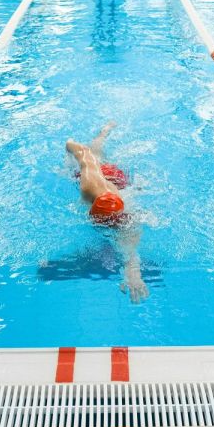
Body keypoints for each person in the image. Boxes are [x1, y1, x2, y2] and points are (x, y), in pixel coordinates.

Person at [65, 122, 148, 303]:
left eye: (113, 222)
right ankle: (104, 131)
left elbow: (131, 251)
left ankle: (105, 132)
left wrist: (133, 275)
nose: (112, 225)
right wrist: (69, 145)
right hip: (102, 174)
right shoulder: (89, 184)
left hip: (117, 179)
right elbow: (83, 152)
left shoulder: (126, 213)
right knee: (95, 152)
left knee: (127, 231)